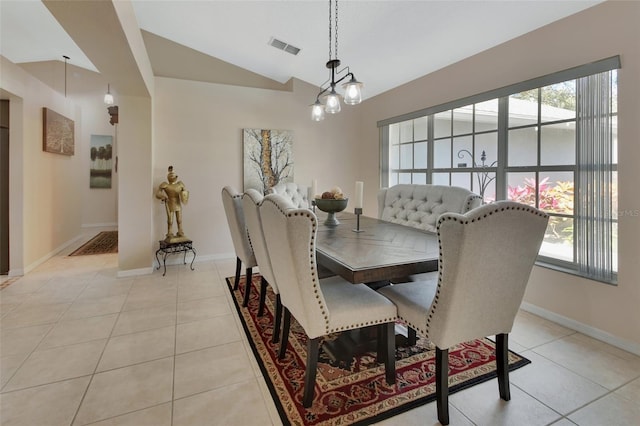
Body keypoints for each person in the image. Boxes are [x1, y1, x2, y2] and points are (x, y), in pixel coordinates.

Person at [156, 166, 189, 242]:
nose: (171, 175)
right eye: (170, 174)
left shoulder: (180, 184)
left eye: (173, 174)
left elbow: (184, 194)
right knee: (170, 220)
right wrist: (163, 196)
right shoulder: (165, 185)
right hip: (169, 202)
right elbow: (158, 193)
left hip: (177, 202)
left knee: (179, 219)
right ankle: (170, 233)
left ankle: (180, 231)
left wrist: (183, 195)